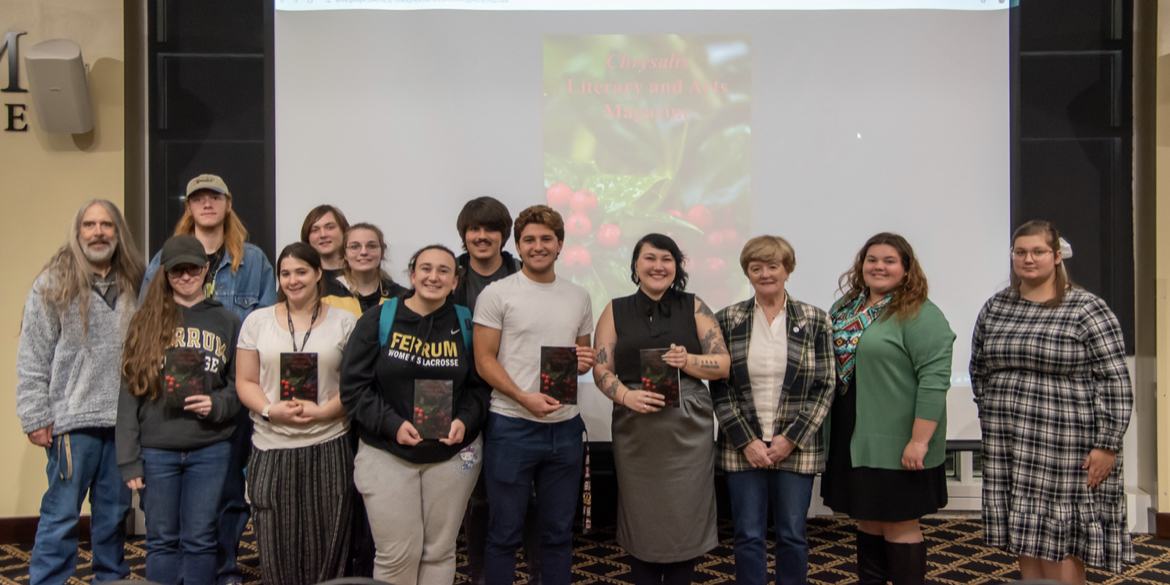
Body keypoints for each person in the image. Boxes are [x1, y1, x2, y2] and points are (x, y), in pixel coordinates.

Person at [970, 220, 1133, 583]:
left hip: (1066, 445)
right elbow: (979, 368)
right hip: (1011, 443)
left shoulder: (1087, 308)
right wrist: (993, 414)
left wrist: (1107, 444)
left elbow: (1115, 382)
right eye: (1020, 252)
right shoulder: (996, 307)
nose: (1028, 259)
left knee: (1062, 540)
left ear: (1057, 256)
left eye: (1038, 251)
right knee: (1027, 536)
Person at [141, 173, 276, 585]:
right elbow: (147, 321)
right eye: (198, 198)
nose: (207, 204)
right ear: (189, 206)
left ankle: (226, 568)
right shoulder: (165, 258)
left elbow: (265, 325)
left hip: (232, 392)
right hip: (168, 414)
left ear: (228, 203)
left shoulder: (252, 260)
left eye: (214, 197)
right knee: (169, 515)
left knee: (231, 492)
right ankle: (181, 571)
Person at [340, 244, 489, 585]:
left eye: (443, 271)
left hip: (452, 457)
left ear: (454, 282)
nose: (433, 276)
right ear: (412, 275)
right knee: (396, 556)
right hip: (386, 452)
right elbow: (353, 389)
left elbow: (480, 390)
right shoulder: (379, 319)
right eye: (425, 268)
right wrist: (392, 424)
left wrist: (464, 421)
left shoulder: (466, 323)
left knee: (439, 552)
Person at [16, 199, 145, 585]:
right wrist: (35, 415)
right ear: (77, 233)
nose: (98, 232)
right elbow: (32, 354)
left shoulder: (138, 282)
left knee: (112, 515)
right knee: (61, 515)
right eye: (89, 224)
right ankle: (49, 580)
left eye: (106, 224)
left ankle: (111, 578)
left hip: (123, 422)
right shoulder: (52, 284)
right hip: (72, 422)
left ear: (118, 232)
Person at [591, 233, 729, 585]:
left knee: (685, 514)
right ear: (636, 266)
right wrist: (625, 396)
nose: (658, 266)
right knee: (642, 515)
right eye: (649, 258)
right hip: (636, 428)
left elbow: (723, 365)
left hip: (687, 430)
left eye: (666, 259)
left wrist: (689, 360)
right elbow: (601, 370)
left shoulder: (694, 305)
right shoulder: (614, 309)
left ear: (676, 266)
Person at [820, 232, 955, 585]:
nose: (879, 267)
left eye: (889, 261)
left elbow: (934, 382)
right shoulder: (844, 309)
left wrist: (919, 441)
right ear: (861, 265)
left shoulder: (921, 313)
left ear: (907, 269)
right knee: (867, 520)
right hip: (853, 435)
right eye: (872, 260)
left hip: (899, 440)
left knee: (899, 524)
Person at [474, 204, 597, 585]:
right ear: (518, 245)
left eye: (547, 239)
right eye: (529, 239)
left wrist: (585, 361)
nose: (538, 246)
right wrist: (523, 396)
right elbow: (484, 361)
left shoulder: (579, 296)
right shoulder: (497, 294)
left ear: (560, 245)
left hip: (564, 429)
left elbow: (580, 357)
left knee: (559, 535)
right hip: (512, 426)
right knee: (504, 534)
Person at [710, 235, 836, 585]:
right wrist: (746, 441)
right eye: (756, 267)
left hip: (796, 447)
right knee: (747, 535)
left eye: (773, 266)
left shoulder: (815, 320)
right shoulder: (727, 319)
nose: (765, 274)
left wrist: (790, 439)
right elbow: (720, 387)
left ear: (787, 270)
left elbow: (824, 386)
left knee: (793, 534)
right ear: (747, 273)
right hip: (742, 448)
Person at [116, 235, 241, 585]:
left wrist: (216, 405)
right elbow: (128, 395)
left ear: (206, 270)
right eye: (177, 271)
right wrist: (129, 459)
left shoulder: (228, 323)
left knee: (201, 540)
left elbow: (238, 387)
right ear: (166, 274)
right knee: (160, 541)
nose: (186, 277)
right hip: (157, 449)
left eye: (193, 269)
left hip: (210, 446)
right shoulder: (145, 322)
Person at [234, 243, 358, 585]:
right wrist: (271, 410)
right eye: (285, 273)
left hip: (329, 442)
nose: (293, 280)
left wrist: (323, 413)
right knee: (275, 549)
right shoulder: (256, 322)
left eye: (301, 271)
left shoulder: (346, 323)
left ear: (319, 274)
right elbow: (245, 381)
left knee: (328, 546)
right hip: (271, 446)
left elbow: (355, 387)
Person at [453, 196, 539, 585]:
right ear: (464, 234)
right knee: (477, 494)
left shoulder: (529, 273)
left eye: (491, 229)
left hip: (522, 394)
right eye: (474, 229)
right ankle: (481, 575)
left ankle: (539, 573)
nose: (482, 236)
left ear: (506, 236)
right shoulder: (448, 275)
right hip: (465, 397)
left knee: (531, 493)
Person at [322, 222, 406, 316]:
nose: (364, 252)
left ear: (382, 252)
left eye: (372, 246)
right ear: (345, 254)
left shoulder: (401, 296)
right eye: (354, 246)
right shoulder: (325, 294)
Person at [301, 204, 350, 296]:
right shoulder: (300, 278)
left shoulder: (361, 273)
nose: (323, 235)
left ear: (344, 231)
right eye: (315, 230)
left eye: (330, 227)